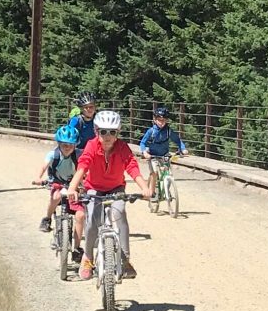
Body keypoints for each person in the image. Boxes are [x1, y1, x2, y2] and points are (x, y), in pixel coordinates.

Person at [70, 108, 141, 281]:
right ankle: (88, 257)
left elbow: (132, 166)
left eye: (112, 132)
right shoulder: (91, 145)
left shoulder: (122, 147)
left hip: (116, 188)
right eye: (103, 132)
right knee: (93, 221)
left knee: (119, 213)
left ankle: (125, 260)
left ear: (118, 132)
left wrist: (144, 187)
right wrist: (73, 187)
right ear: (96, 132)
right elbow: (83, 165)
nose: (107, 136)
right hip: (94, 188)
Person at [36, 122, 82, 231]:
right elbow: (43, 166)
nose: (67, 147)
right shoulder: (53, 155)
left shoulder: (79, 155)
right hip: (57, 181)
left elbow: (84, 169)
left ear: (75, 145)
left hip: (73, 182)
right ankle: (47, 219)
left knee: (83, 200)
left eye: (71, 145)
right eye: (64, 144)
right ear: (58, 143)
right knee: (55, 197)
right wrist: (38, 178)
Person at [137, 106, 186, 200]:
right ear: (155, 120)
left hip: (164, 155)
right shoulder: (151, 131)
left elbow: (177, 140)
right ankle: (151, 193)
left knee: (168, 172)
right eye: (159, 120)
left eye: (163, 120)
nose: (161, 122)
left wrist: (183, 148)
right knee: (154, 172)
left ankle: (167, 190)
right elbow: (143, 142)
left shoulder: (168, 131)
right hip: (153, 156)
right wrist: (144, 152)